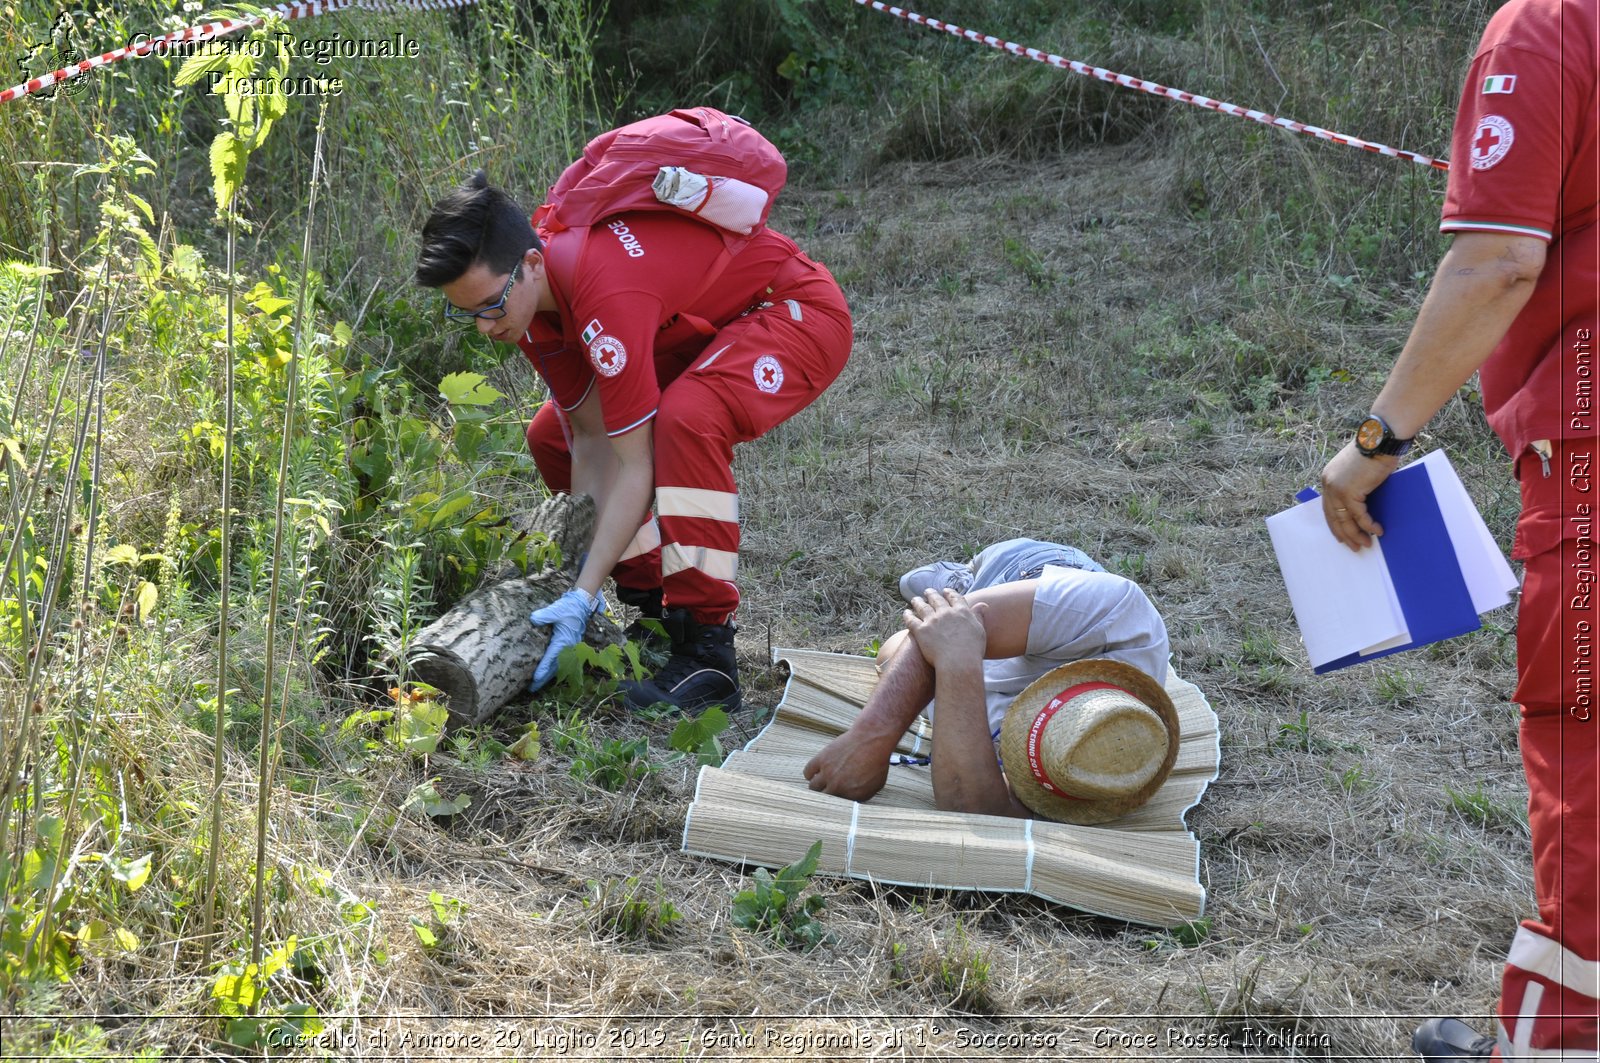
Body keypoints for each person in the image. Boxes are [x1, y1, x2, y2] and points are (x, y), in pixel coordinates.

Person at [1313, 2, 1597, 1058]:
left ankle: (1563, 1041)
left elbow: (1496, 265)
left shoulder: (1547, 24)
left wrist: (1376, 438)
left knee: (1586, 753)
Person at [414, 166, 852, 714]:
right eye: (468, 312)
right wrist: (579, 579)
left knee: (683, 420)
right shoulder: (527, 309)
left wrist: (582, 591)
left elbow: (635, 465)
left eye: (491, 305)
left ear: (531, 264)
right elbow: (590, 438)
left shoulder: (603, 291)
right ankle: (653, 610)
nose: (484, 326)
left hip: (790, 311)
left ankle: (706, 649)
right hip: (700, 330)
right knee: (551, 434)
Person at [803, 552, 1171, 817]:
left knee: (897, 649)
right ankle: (959, 578)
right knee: (956, 605)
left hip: (993, 657)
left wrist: (957, 662)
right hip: (1026, 569)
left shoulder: (1090, 773)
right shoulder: (1118, 616)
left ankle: (954, 593)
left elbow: (973, 808)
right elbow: (956, 620)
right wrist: (870, 738)